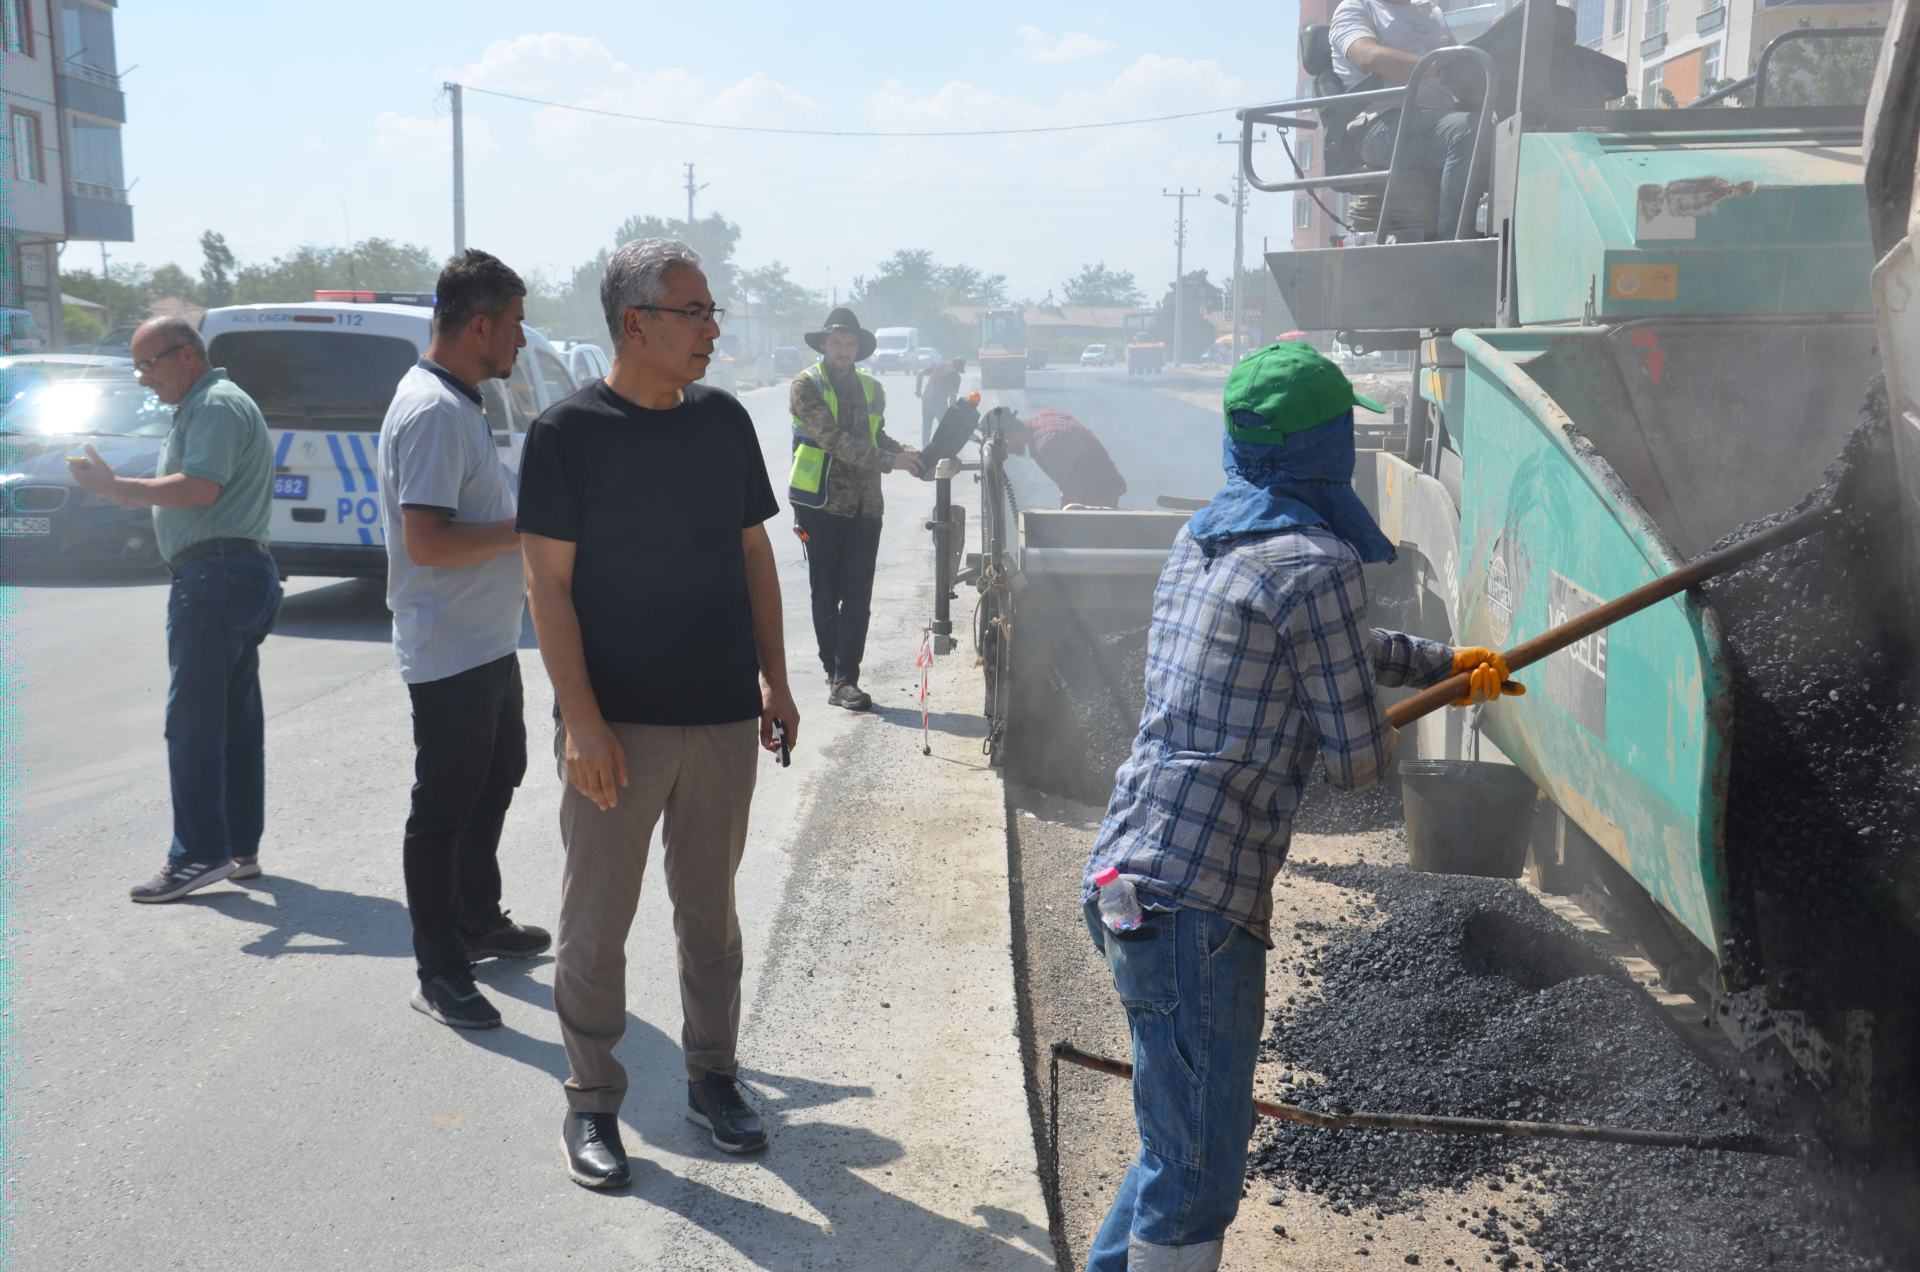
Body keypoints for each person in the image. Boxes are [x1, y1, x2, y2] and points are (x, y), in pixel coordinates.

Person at [1078, 342, 1520, 1270]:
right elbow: (1357, 762)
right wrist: (1349, 723)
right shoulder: (1318, 562)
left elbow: (1321, 644)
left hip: (1126, 874)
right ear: (1328, 447)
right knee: (1196, 1170)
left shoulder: (1206, 539)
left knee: (1178, 1138)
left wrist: (1443, 665)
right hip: (1198, 902)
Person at [518, 238, 800, 1189]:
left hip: (719, 716)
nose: (713, 329)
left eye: (711, 311)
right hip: (617, 726)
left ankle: (713, 1078)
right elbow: (547, 588)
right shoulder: (566, 434)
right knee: (596, 925)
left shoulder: (721, 420)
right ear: (636, 324)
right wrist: (582, 721)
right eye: (696, 311)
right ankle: (593, 1101)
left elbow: (753, 553)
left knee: (710, 917)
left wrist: (775, 679)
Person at [377, 249, 551, 1032]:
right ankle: (439, 970)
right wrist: (531, 527)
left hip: (486, 642)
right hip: (447, 649)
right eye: (513, 324)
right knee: (443, 808)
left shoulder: (457, 400)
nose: (520, 339)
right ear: (479, 326)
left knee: (497, 776)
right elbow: (429, 542)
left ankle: (477, 920)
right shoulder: (434, 413)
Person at [68, 317, 281, 903]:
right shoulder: (209, 403)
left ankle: (198, 854)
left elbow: (199, 488)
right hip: (233, 572)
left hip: (215, 576)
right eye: (137, 366)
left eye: (149, 364)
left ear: (186, 355)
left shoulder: (213, 404)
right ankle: (237, 847)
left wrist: (118, 487)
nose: (142, 378)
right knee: (233, 722)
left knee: (193, 722)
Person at [787, 307, 922, 712]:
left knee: (858, 597)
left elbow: (874, 436)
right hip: (821, 504)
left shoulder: (872, 388)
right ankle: (834, 674)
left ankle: (848, 677)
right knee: (826, 594)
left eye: (850, 343)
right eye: (837, 342)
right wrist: (890, 460)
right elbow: (833, 439)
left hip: (866, 506)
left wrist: (911, 456)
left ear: (859, 348)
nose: (844, 350)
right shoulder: (805, 385)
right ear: (824, 345)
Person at [1330, 0, 1486, 239]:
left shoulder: (1431, 11)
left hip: (1440, 119)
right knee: (1465, 132)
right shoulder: (1356, 7)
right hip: (1381, 124)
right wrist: (1439, 67)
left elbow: (1459, 66)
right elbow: (1366, 56)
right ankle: (1454, 243)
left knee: (1502, 132)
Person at [991, 406, 1127, 509]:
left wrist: (1062, 517)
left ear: (1012, 433)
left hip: (1099, 494)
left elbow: (1071, 487)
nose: (1009, 450)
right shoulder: (1045, 414)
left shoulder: (1047, 444)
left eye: (1007, 444)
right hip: (1105, 482)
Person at [914, 355, 966, 447]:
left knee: (926, 427)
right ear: (959, 367)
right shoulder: (955, 375)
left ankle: (925, 449)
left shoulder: (938, 365)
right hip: (939, 402)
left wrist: (918, 389)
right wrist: (954, 409)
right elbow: (952, 396)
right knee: (945, 427)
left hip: (926, 399)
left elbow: (920, 373)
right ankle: (942, 449)